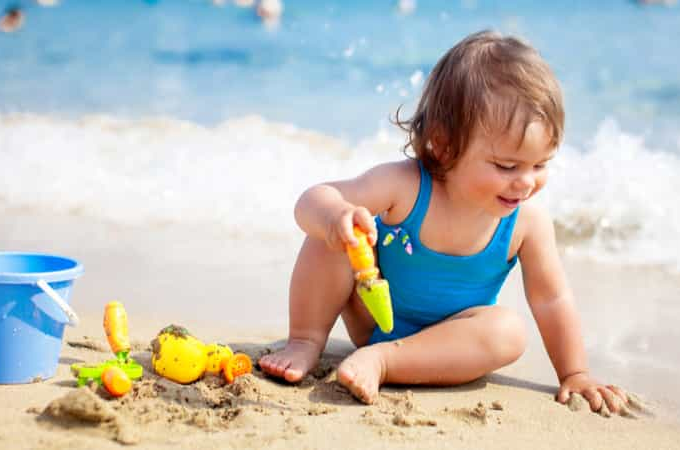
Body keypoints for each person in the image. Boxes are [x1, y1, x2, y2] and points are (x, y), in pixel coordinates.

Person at [259, 30, 629, 414]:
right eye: (506, 166)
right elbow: (311, 201)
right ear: (444, 143)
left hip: (451, 347)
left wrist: (575, 372)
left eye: (540, 165)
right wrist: (336, 217)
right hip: (373, 319)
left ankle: (385, 361)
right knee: (337, 225)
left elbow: (552, 300)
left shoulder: (527, 224)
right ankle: (304, 340)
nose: (525, 182)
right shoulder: (405, 186)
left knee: (509, 332)